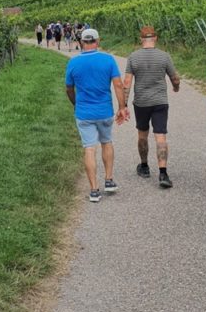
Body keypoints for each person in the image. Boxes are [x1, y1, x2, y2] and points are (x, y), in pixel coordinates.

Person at [65, 28, 130, 202]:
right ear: (98, 41)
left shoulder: (73, 62)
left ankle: (94, 190)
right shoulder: (108, 60)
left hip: (84, 112)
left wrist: (76, 103)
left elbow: (69, 88)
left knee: (89, 148)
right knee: (106, 142)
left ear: (81, 42)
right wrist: (122, 107)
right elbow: (118, 85)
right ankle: (109, 180)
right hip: (104, 111)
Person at [123, 25, 180, 188]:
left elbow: (127, 83)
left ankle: (144, 166)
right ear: (155, 38)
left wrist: (123, 104)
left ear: (141, 39)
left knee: (142, 135)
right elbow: (175, 78)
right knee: (160, 136)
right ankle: (163, 173)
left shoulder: (133, 57)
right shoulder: (164, 56)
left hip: (141, 102)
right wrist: (176, 88)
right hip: (160, 102)